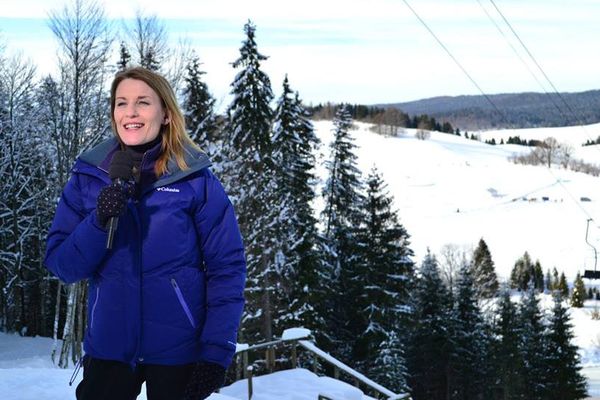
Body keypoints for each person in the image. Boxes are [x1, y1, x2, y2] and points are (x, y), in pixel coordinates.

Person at [45, 67, 246, 400]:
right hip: (109, 348)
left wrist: (216, 351)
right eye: (121, 103)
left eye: (143, 102)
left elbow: (228, 269)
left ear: (166, 113)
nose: (131, 112)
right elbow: (63, 266)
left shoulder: (195, 179)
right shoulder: (88, 176)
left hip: (179, 352)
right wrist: (99, 219)